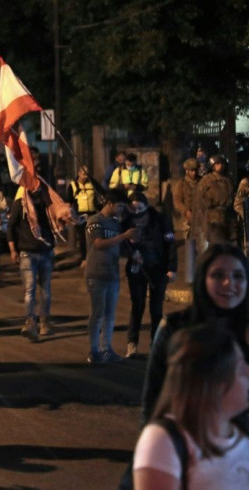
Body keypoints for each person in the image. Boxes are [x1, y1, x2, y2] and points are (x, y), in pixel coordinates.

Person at [141, 244, 249, 424]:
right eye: (218, 275)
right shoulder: (175, 327)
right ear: (202, 279)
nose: (228, 283)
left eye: (238, 276)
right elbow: (153, 398)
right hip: (188, 442)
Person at [132, 324, 249, 489]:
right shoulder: (164, 441)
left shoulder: (241, 434)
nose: (248, 373)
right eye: (241, 368)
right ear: (214, 383)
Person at [122, 192, 177, 358]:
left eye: (140, 207)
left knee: (156, 309)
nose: (137, 211)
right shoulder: (126, 222)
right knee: (137, 306)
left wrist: (172, 268)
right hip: (137, 270)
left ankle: (156, 345)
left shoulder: (160, 221)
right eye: (133, 207)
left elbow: (171, 244)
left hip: (158, 269)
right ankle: (132, 344)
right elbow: (121, 243)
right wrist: (131, 254)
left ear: (146, 206)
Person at [84, 188, 136, 364]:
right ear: (110, 204)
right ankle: (93, 350)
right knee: (97, 314)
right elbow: (98, 244)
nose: (121, 209)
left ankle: (107, 348)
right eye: (120, 206)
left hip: (112, 274)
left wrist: (133, 253)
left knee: (110, 314)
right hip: (96, 274)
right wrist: (123, 236)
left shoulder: (115, 223)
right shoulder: (95, 221)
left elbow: (119, 247)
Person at [7, 185, 56, 341]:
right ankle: (30, 322)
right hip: (27, 252)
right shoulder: (20, 205)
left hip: (46, 251)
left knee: (45, 289)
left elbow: (55, 222)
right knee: (30, 289)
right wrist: (13, 249)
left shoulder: (48, 204)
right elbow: (11, 227)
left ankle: (45, 323)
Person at [194, 155, 234, 251]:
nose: (220, 166)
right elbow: (199, 199)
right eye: (217, 164)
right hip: (211, 217)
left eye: (221, 163)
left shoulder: (227, 181)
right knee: (213, 245)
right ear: (212, 166)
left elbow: (231, 198)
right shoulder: (206, 180)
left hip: (226, 217)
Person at [66, 166, 103, 264]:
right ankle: (84, 258)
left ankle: (94, 257)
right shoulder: (73, 185)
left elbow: (103, 192)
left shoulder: (93, 183)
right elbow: (68, 202)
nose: (86, 176)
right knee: (82, 237)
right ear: (79, 173)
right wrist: (71, 216)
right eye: (84, 174)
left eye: (87, 174)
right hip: (80, 215)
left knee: (95, 236)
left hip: (93, 214)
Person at [172, 158, 199, 237]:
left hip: (201, 215)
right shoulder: (181, 184)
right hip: (188, 217)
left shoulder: (202, 182)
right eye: (192, 171)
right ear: (187, 171)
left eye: (195, 170)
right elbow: (177, 201)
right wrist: (186, 211)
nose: (194, 173)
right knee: (189, 240)